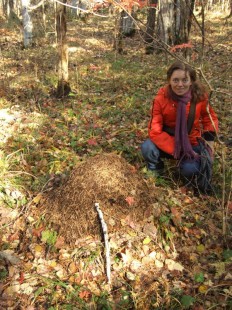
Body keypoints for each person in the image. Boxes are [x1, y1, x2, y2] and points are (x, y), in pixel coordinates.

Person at [141, 61, 219, 193]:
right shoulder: (161, 99)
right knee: (147, 147)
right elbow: (155, 130)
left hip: (192, 143)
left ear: (191, 81)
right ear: (169, 81)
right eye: (175, 80)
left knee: (189, 170)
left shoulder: (199, 97)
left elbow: (209, 118)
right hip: (168, 142)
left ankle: (187, 173)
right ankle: (156, 169)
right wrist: (176, 149)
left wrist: (210, 143)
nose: (180, 84)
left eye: (184, 80)